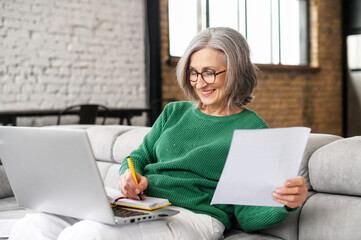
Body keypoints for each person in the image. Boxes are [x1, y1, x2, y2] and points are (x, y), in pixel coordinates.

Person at [9, 27, 307, 240]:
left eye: (210, 72)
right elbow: (138, 156)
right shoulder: (174, 112)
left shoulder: (252, 129)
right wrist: (130, 175)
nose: (200, 82)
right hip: (143, 204)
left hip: (194, 218)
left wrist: (285, 203)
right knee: (38, 221)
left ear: (237, 71)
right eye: (193, 72)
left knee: (90, 234)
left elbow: (246, 215)